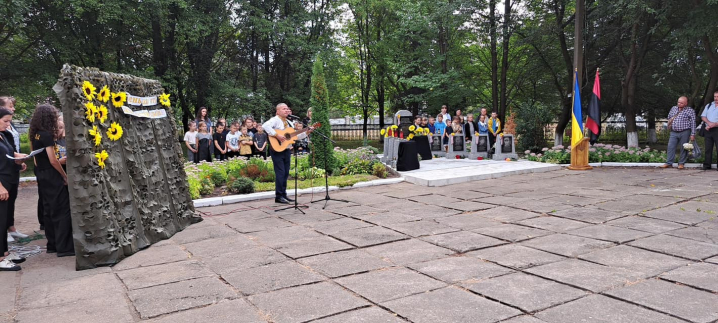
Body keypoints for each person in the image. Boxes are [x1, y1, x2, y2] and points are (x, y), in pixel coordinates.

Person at [30, 104, 74, 257]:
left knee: (49, 210)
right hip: (52, 174)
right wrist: (64, 176)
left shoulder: (35, 133)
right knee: (62, 210)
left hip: (42, 174)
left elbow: (35, 159)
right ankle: (65, 247)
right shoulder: (47, 135)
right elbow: (53, 160)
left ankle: (53, 245)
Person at [262, 103, 312, 204]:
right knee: (280, 173)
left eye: (287, 109)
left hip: (286, 149)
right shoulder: (275, 120)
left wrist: (306, 132)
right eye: (283, 109)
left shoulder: (289, 122)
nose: (286, 110)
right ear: (278, 111)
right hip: (276, 149)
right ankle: (279, 196)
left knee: (285, 173)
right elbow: (265, 126)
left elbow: (294, 137)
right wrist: (277, 135)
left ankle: (283, 195)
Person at [0, 108, 27, 270]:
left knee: (4, 220)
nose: (8, 124)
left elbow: (9, 153)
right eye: (6, 121)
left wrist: (21, 158)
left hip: (8, 181)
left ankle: (5, 252)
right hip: (1, 184)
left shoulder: (3, 135)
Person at [660, 96, 695, 169]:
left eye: (681, 103)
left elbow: (693, 123)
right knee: (670, 147)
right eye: (678, 102)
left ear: (686, 103)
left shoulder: (690, 110)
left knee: (684, 148)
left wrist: (693, 134)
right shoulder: (673, 108)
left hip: (685, 131)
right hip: (674, 132)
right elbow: (669, 117)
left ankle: (681, 163)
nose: (679, 104)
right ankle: (669, 163)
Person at [701, 90, 718, 170]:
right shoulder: (709, 105)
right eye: (715, 96)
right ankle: (707, 165)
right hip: (708, 129)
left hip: (717, 129)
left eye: (717, 97)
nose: (716, 98)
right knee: (708, 148)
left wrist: (714, 124)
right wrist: (709, 123)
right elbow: (703, 116)